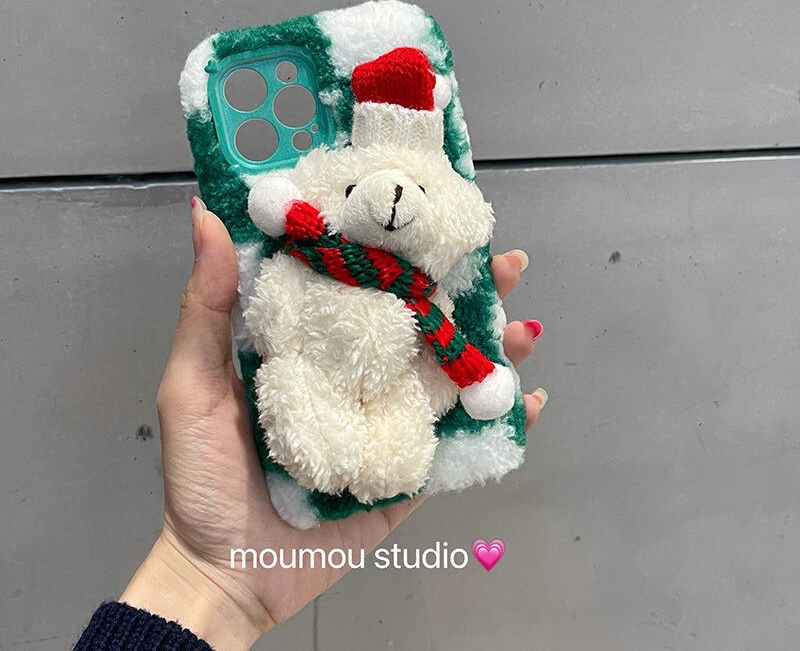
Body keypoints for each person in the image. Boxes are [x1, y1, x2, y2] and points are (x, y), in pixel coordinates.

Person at [73, 200, 547, 651]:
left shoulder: (421, 294)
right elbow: (275, 313)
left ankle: (381, 460)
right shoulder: (309, 258)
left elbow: (442, 344)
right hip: (315, 387)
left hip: (394, 394)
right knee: (292, 392)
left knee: (411, 416)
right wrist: (210, 573)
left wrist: (208, 578)